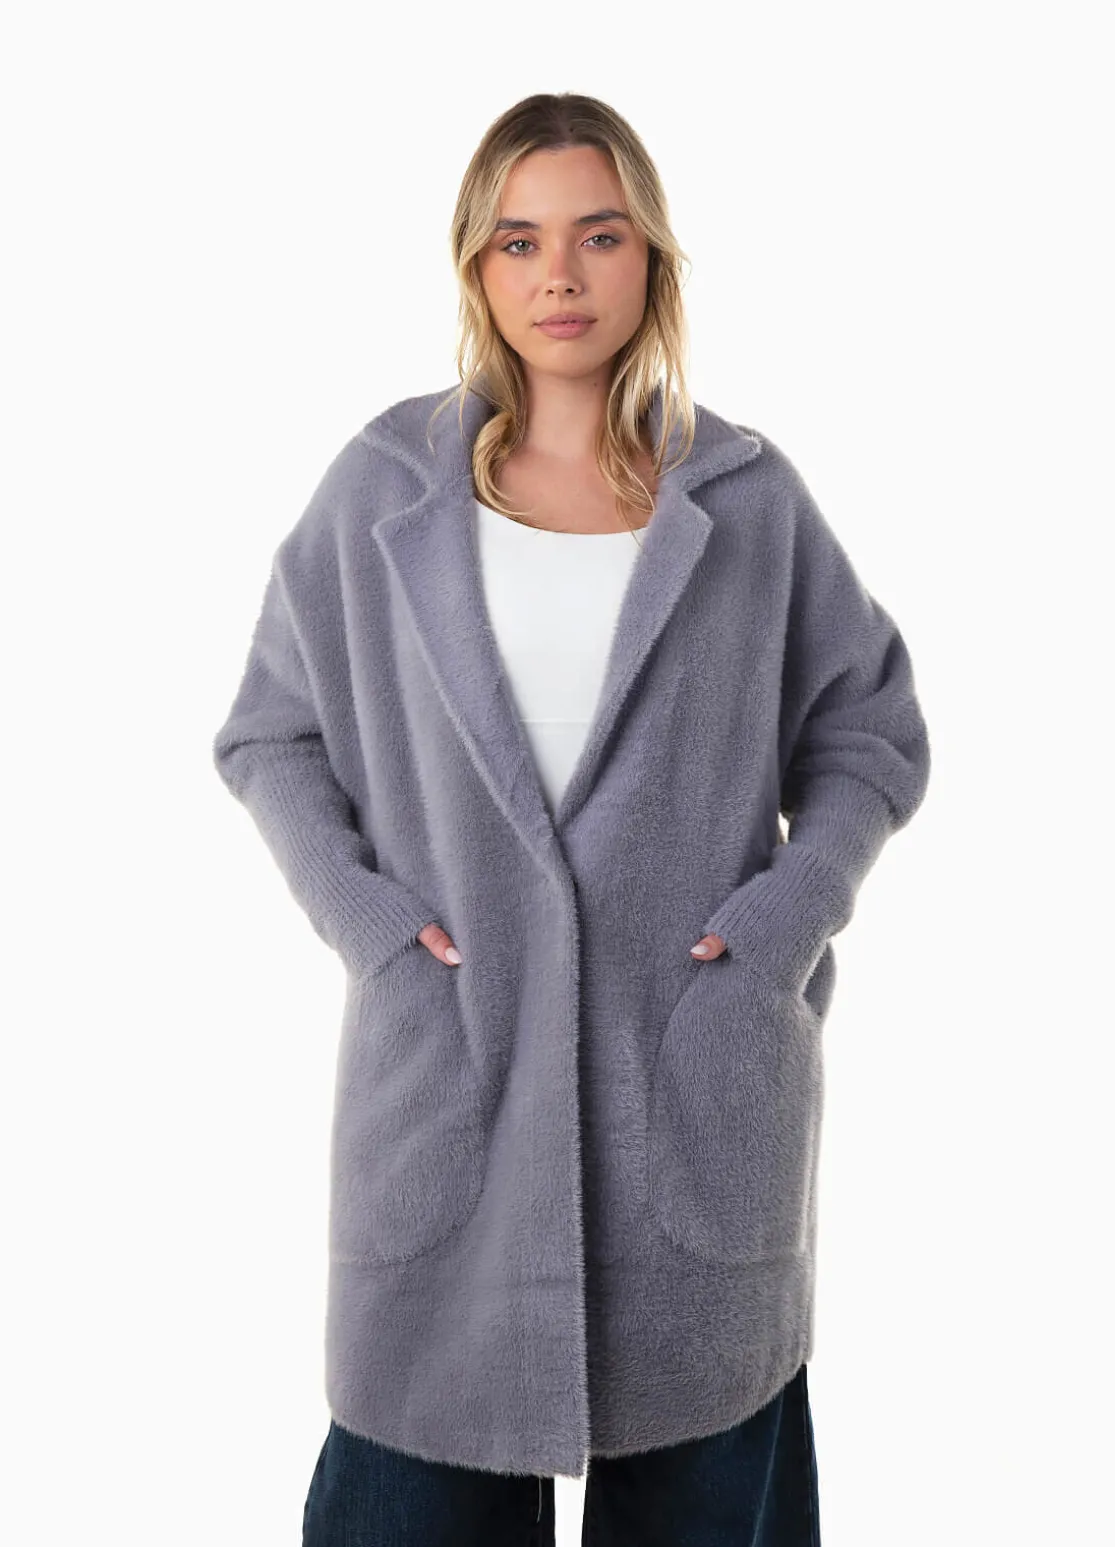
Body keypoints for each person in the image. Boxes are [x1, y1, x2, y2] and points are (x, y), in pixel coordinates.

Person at [212, 92, 930, 1546]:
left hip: (697, 1080)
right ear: (476, 268)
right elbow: (272, 735)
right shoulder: (385, 494)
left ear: (649, 257)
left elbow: (867, 729)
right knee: (405, 1486)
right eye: (520, 241)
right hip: (454, 1070)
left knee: (707, 1476)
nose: (560, 275)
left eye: (598, 236)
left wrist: (786, 919)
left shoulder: (744, 500)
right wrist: (368, 922)